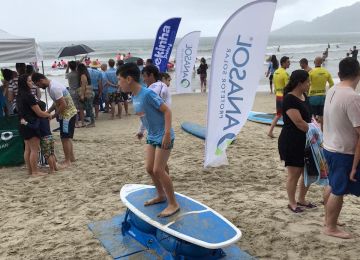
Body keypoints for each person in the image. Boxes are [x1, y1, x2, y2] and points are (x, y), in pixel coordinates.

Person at [117, 63, 179, 217]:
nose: (118, 83)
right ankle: (161, 195)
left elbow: (167, 111)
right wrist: (141, 131)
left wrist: (166, 133)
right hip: (152, 136)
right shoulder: (135, 95)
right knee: (150, 169)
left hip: (163, 135)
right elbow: (145, 116)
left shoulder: (147, 94)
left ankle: (173, 204)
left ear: (129, 79)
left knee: (158, 169)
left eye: (120, 80)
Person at [322, 57, 360, 239]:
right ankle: (330, 227)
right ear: (358, 74)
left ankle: (329, 219)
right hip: (343, 151)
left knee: (332, 184)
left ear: (339, 74)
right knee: (338, 189)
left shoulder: (332, 90)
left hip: (329, 146)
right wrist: (354, 166)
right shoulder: (352, 97)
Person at [278, 70, 314, 213]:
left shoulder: (304, 96)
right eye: (307, 81)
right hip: (292, 140)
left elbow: (309, 119)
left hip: (307, 140)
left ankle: (302, 199)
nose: (309, 84)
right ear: (300, 83)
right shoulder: (289, 99)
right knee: (295, 173)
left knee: (308, 171)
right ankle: (292, 202)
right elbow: (299, 123)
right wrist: (316, 133)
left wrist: (314, 130)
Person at [31, 73, 77, 168]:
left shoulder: (54, 88)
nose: (38, 87)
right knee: (67, 137)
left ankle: (67, 160)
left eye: (38, 85)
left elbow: (63, 105)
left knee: (64, 138)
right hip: (67, 114)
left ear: (41, 80)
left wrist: (53, 116)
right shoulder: (51, 86)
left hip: (67, 115)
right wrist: (48, 112)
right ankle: (71, 158)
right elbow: (57, 103)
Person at [16, 74, 50, 177]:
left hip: (23, 123)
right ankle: (35, 172)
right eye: (30, 81)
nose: (32, 83)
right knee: (34, 149)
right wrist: (49, 115)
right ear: (25, 83)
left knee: (28, 149)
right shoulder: (28, 95)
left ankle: (30, 171)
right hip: (31, 123)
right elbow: (39, 112)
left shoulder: (19, 95)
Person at [20, 100, 59, 173]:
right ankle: (55, 167)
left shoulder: (39, 118)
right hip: (50, 136)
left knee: (47, 155)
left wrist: (26, 123)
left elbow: (35, 127)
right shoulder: (47, 117)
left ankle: (52, 169)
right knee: (52, 153)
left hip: (44, 138)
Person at [308, 57, 334, 130]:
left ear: (314, 62)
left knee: (312, 115)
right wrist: (329, 93)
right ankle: (322, 130)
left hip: (312, 96)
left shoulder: (311, 72)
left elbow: (307, 84)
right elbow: (331, 84)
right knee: (322, 115)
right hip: (322, 96)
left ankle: (314, 130)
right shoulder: (326, 72)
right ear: (322, 62)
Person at [268, 56, 290, 138]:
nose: (289, 63)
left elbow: (275, 86)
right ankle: (286, 133)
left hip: (278, 96)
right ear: (283, 63)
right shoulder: (285, 73)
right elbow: (287, 87)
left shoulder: (276, 72)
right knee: (287, 116)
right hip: (284, 97)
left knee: (278, 115)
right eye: (288, 62)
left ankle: (270, 131)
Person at [66, 61, 82, 127]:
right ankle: (83, 122)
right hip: (79, 91)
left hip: (72, 92)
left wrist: (67, 66)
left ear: (70, 67)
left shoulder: (69, 74)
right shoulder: (79, 73)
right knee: (81, 107)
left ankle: (77, 123)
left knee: (74, 108)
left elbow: (66, 73)